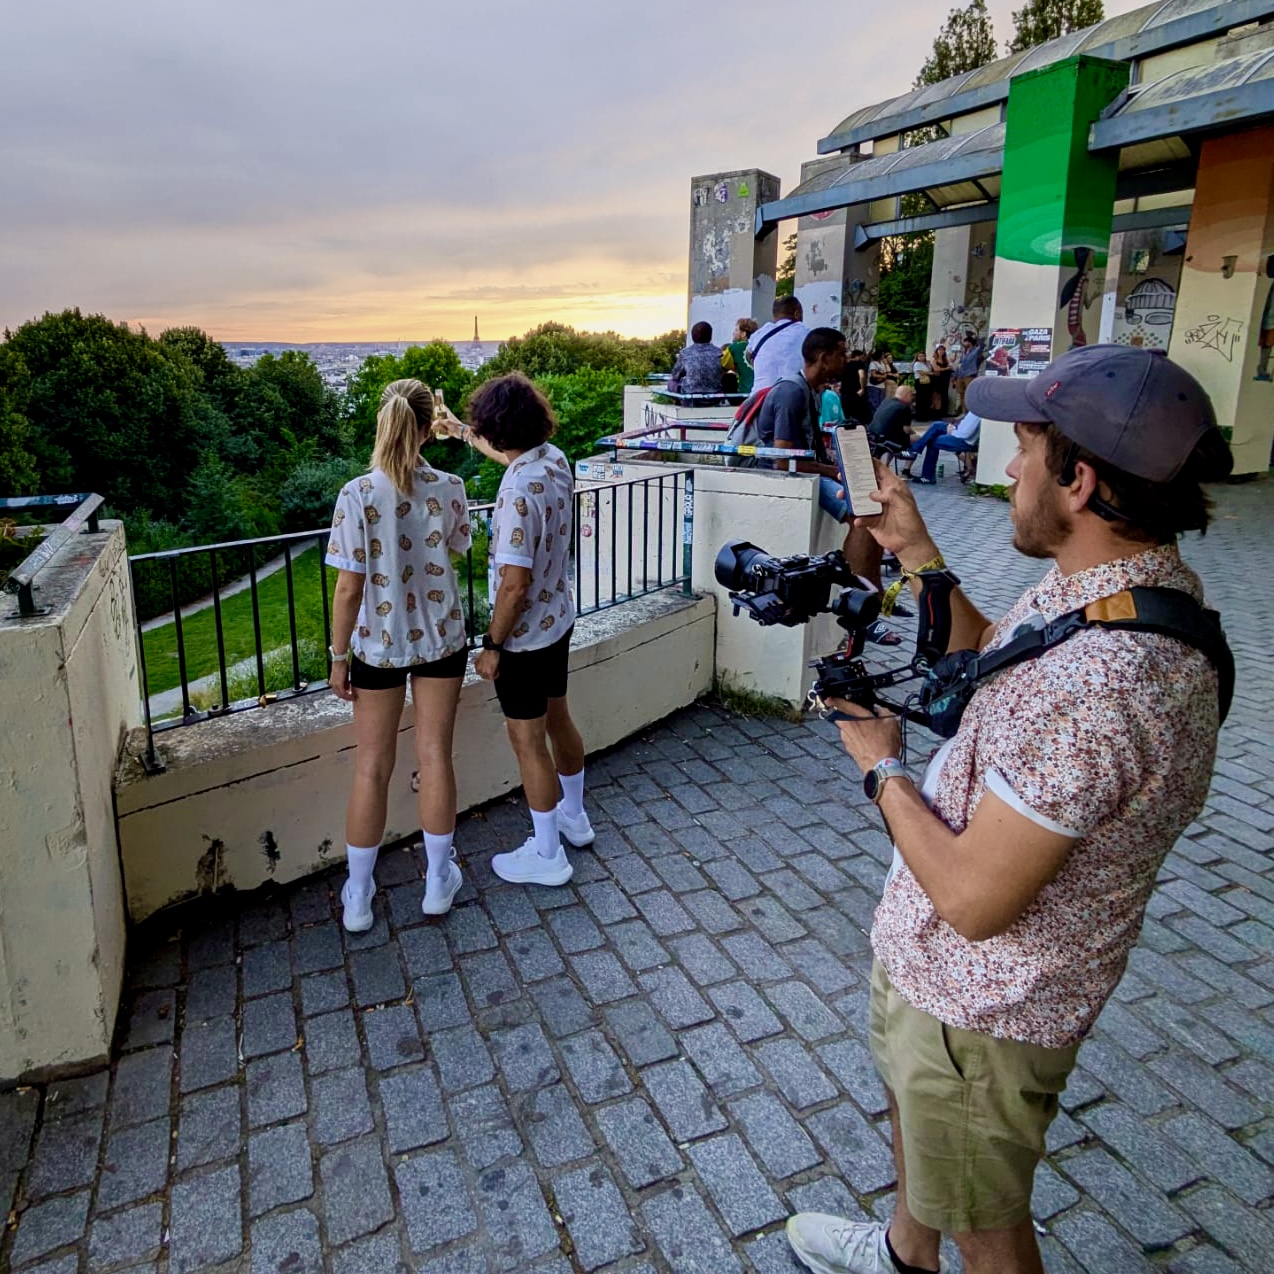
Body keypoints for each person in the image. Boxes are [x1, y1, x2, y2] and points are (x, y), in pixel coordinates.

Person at [785, 343, 1233, 1274]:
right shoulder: (1122, 590)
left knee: (988, 1225)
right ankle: (905, 1254)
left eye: (1025, 448)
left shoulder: (1103, 689)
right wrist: (916, 552)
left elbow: (976, 903)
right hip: (946, 992)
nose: (1012, 467)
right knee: (933, 1155)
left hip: (981, 1013)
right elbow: (996, 652)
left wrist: (882, 766)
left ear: (1079, 478)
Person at [326, 379, 473, 929]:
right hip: (439, 640)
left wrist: (338, 658)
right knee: (435, 756)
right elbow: (457, 547)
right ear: (427, 425)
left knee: (372, 767)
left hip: (377, 646)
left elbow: (347, 589)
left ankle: (359, 896)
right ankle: (437, 882)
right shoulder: (451, 487)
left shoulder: (357, 494)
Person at [436, 373, 593, 887]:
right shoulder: (552, 459)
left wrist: (491, 646)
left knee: (527, 741)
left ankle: (547, 854)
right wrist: (459, 431)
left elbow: (513, 585)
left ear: (499, 429)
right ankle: (573, 817)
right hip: (559, 620)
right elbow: (508, 454)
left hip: (523, 638)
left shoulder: (516, 494)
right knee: (559, 718)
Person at [755, 327, 899, 646]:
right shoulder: (792, 392)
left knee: (872, 510)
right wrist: (833, 471)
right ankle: (862, 608)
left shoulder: (811, 391)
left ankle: (871, 597)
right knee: (861, 519)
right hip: (783, 477)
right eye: (842, 353)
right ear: (823, 358)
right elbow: (782, 458)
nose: (846, 360)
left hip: (802, 472)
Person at [747, 296, 810, 393]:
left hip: (759, 397)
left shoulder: (759, 334)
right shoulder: (804, 332)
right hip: (790, 396)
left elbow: (749, 355)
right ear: (797, 313)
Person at [903, 410, 981, 484]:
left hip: (962, 440)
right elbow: (963, 427)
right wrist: (954, 427)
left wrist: (952, 431)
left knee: (932, 440)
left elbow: (965, 434)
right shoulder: (974, 411)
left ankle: (928, 476)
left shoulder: (977, 414)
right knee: (936, 425)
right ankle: (915, 450)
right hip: (958, 433)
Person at [668, 321, 724, 396]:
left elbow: (675, 375)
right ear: (710, 336)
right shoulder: (719, 352)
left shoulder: (685, 353)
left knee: (672, 382)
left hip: (690, 394)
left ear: (692, 337)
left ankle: (677, 400)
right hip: (715, 394)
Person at [868, 384, 914, 451]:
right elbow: (907, 430)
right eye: (911, 395)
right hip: (888, 440)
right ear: (905, 394)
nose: (912, 398)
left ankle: (887, 461)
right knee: (919, 440)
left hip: (873, 434)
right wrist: (914, 432)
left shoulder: (887, 401)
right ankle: (910, 458)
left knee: (897, 435)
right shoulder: (904, 407)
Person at [721, 317, 759, 395]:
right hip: (761, 392)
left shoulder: (734, 347)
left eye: (736, 330)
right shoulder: (760, 345)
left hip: (744, 392)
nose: (733, 333)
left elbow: (723, 365)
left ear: (743, 334)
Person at [953, 333, 984, 411]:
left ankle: (969, 412)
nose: (964, 344)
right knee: (961, 394)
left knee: (969, 394)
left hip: (969, 375)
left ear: (969, 342)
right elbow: (960, 364)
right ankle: (963, 411)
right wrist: (955, 376)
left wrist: (976, 338)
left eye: (965, 342)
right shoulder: (964, 352)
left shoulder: (975, 350)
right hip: (961, 375)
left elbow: (982, 346)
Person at [840, 348, 872, 424]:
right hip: (856, 393)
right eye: (862, 356)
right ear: (857, 356)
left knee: (846, 415)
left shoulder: (844, 365)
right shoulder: (859, 364)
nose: (863, 358)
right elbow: (861, 375)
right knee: (860, 416)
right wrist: (862, 388)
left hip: (845, 393)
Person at [910, 350, 933, 421]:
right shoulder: (917, 364)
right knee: (920, 399)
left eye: (923, 356)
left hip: (926, 382)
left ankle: (926, 415)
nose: (921, 357)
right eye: (920, 356)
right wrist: (928, 373)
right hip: (920, 381)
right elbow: (920, 372)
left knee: (926, 399)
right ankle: (920, 416)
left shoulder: (926, 364)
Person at [930, 342, 951, 417]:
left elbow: (950, 366)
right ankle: (933, 413)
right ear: (936, 351)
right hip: (936, 379)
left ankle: (940, 412)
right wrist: (945, 368)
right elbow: (936, 369)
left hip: (944, 379)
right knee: (935, 396)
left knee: (942, 396)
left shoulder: (945, 359)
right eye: (939, 350)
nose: (941, 351)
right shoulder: (934, 359)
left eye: (943, 350)